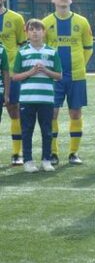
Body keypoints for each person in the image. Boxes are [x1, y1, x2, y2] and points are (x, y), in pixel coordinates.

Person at [43, 0, 93, 167]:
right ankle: (53, 153)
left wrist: (80, 66)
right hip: (54, 77)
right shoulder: (46, 23)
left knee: (75, 113)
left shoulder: (82, 22)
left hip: (76, 77)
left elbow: (88, 49)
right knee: (52, 114)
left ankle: (73, 153)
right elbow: (44, 49)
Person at [12, 20, 62, 172]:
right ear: (26, 33)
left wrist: (46, 71)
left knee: (47, 130)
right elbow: (15, 76)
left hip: (46, 99)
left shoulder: (52, 52)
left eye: (38, 29)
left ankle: (46, 160)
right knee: (27, 130)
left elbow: (59, 75)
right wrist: (31, 72)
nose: (35, 32)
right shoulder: (22, 52)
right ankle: (28, 161)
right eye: (31, 29)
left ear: (44, 32)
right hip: (27, 99)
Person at [0, 0, 27, 165]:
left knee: (14, 109)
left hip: (10, 71)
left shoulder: (16, 18)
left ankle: (17, 153)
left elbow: (22, 44)